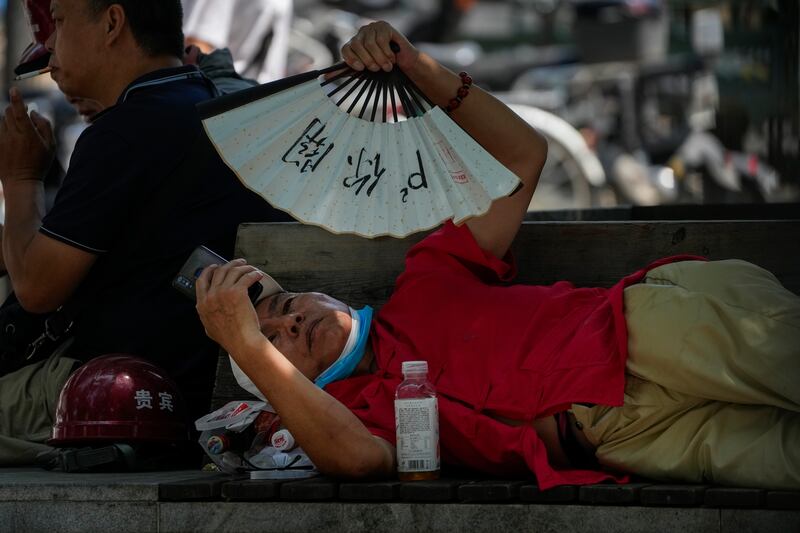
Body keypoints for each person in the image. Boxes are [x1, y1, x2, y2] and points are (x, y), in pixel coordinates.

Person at [196, 21, 800, 490]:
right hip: (625, 441)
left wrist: (419, 69)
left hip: (644, 333)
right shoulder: (361, 418)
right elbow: (355, 461)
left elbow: (522, 157)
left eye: (285, 304)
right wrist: (242, 343)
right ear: (288, 387)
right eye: (275, 341)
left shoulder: (424, 283)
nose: (292, 321)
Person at [0, 0, 289, 465]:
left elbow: (35, 289)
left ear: (113, 22)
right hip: (192, 387)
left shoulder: (126, 131)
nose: (50, 42)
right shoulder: (210, 106)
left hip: (120, 395)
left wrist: (20, 178)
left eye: (62, 20)